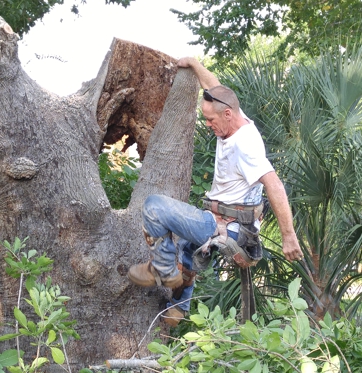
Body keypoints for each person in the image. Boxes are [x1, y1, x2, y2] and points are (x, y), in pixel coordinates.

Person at [128, 57, 303, 326]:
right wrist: (195, 65)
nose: (208, 125)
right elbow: (217, 88)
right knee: (187, 249)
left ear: (227, 115)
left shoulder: (246, 146)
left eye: (210, 120)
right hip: (223, 219)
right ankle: (178, 309)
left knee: (154, 207)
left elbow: (274, 184)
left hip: (228, 228)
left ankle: (162, 268)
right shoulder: (233, 116)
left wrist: (288, 236)